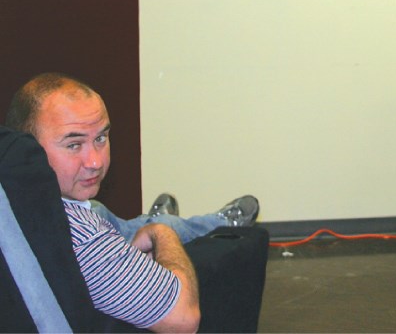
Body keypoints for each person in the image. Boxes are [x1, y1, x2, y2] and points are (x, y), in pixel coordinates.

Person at [4, 72, 259, 331]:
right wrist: (163, 234)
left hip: (97, 215)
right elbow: (184, 319)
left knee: (110, 216)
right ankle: (209, 222)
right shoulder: (83, 234)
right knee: (155, 227)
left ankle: (157, 219)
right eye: (74, 145)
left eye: (101, 138)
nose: (96, 162)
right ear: (29, 149)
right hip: (103, 227)